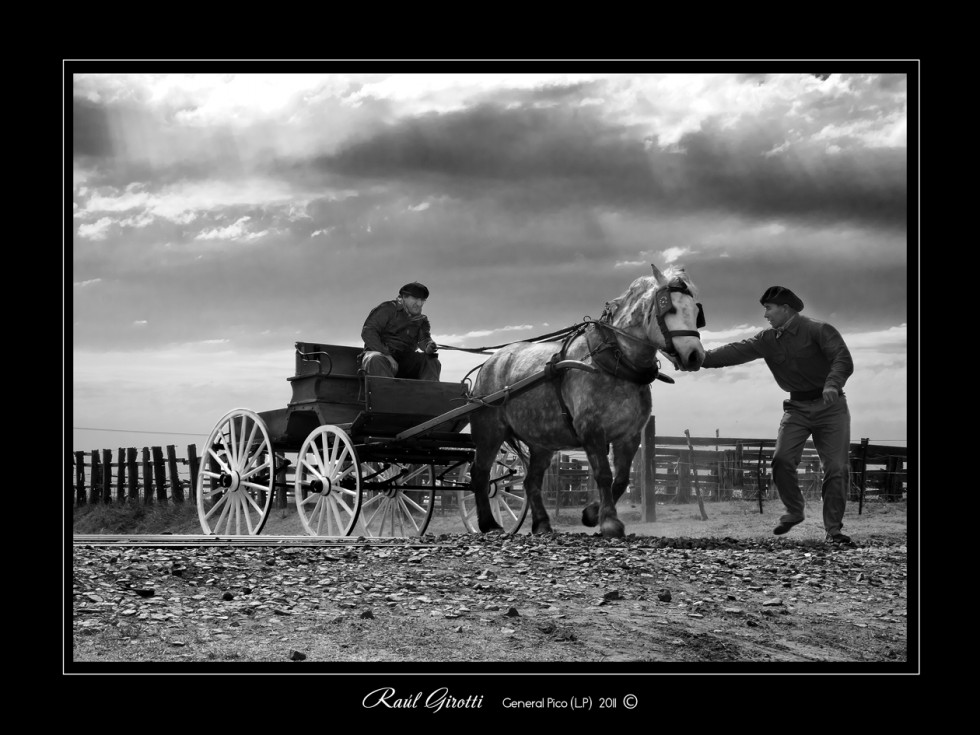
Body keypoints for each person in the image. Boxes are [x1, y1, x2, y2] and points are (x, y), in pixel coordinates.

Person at [668, 285, 855, 544]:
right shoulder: (766, 340)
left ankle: (833, 531)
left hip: (831, 407)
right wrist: (697, 360)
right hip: (797, 408)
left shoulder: (819, 330)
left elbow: (842, 359)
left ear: (785, 309)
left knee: (836, 467)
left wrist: (833, 384)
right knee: (781, 460)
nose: (765, 315)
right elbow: (734, 351)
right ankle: (794, 510)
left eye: (769, 309)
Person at [360, 281, 442, 381]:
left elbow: (424, 340)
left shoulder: (422, 320)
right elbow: (368, 332)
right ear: (403, 297)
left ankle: (428, 394)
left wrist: (428, 346)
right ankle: (385, 394)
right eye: (415, 299)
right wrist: (387, 354)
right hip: (380, 356)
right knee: (376, 359)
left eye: (422, 300)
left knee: (432, 362)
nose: (419, 304)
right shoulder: (387, 309)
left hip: (405, 360)